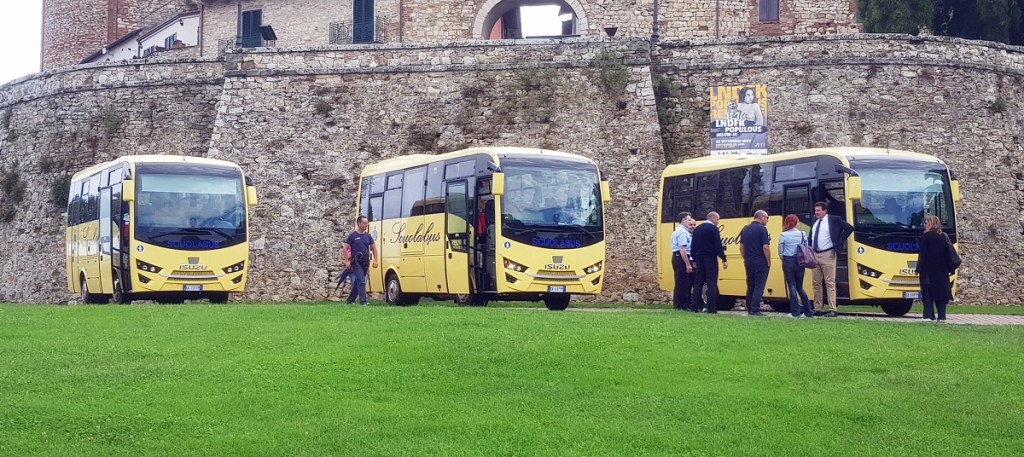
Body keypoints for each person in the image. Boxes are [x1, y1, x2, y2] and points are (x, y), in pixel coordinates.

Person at [809, 201, 853, 317]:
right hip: (815, 254)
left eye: (818, 210)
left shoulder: (834, 220)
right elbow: (811, 236)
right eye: (815, 210)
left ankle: (833, 309)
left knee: (829, 282)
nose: (816, 212)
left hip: (828, 254)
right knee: (816, 283)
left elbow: (849, 228)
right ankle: (817, 308)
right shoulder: (815, 220)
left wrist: (839, 242)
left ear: (825, 211)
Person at [916, 215, 954, 321]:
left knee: (927, 293)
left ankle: (928, 315)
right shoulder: (943, 236)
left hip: (928, 270)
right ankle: (942, 316)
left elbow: (922, 255)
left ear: (931, 224)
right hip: (942, 271)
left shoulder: (926, 237)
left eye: (926, 223)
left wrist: (918, 268)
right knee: (941, 294)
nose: (924, 225)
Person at [690, 211, 728, 313]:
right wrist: (723, 258)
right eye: (718, 219)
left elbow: (693, 245)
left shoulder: (697, 229)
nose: (718, 222)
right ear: (713, 218)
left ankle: (694, 306)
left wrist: (693, 258)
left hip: (699, 258)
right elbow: (717, 245)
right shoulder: (713, 229)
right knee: (711, 282)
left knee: (698, 282)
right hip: (710, 258)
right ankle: (711, 307)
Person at [778, 214, 812, 318]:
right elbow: (806, 248)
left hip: (788, 261)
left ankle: (795, 312)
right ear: (796, 223)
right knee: (800, 287)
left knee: (791, 286)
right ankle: (808, 311)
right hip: (800, 261)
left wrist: (785, 259)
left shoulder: (783, 235)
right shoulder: (802, 234)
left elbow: (780, 251)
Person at [738, 210, 771, 316]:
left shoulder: (745, 229)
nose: (767, 220)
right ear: (761, 217)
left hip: (748, 261)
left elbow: (741, 247)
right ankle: (755, 309)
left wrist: (746, 258)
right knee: (759, 286)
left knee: (750, 285)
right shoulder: (762, 229)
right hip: (760, 261)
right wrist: (768, 261)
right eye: (767, 217)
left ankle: (749, 308)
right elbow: (765, 247)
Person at [345, 215, 379, 306]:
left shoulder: (368, 236)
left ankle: (350, 301)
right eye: (364, 223)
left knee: (358, 282)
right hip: (356, 261)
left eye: (367, 223)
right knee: (362, 280)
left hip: (365, 261)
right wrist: (347, 261)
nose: (366, 225)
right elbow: (345, 248)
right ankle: (363, 302)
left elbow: (374, 248)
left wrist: (376, 260)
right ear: (359, 224)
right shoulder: (352, 236)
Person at [670, 211, 695, 310]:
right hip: (681, 258)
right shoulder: (682, 232)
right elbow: (682, 249)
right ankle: (681, 305)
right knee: (682, 283)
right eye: (689, 219)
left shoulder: (684, 231)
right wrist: (688, 264)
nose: (690, 222)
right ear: (683, 220)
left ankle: (682, 304)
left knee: (684, 282)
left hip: (680, 257)